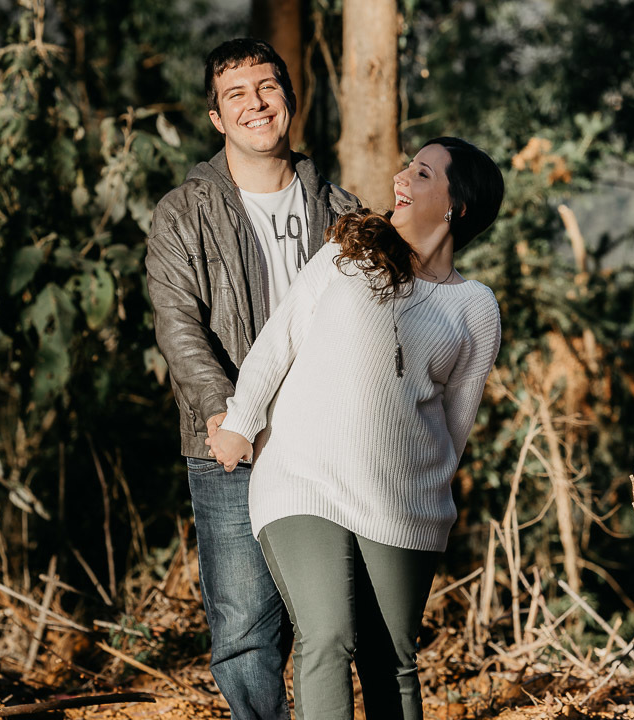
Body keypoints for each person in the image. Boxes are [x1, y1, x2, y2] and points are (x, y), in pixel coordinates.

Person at [207, 137, 505, 720]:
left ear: (456, 206)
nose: (401, 178)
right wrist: (242, 423)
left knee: (390, 659)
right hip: (304, 478)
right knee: (327, 636)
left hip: (403, 503)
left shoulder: (475, 306)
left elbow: (456, 424)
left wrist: (426, 496)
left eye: (421, 174)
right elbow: (278, 340)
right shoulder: (350, 255)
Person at [145, 38, 359, 720]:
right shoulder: (184, 211)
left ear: (289, 102)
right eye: (236, 94)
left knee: (328, 626)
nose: (255, 104)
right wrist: (221, 410)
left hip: (325, 447)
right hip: (229, 446)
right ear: (215, 117)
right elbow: (178, 324)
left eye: (267, 88)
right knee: (243, 631)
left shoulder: (342, 211)